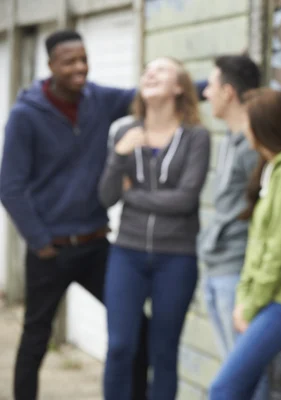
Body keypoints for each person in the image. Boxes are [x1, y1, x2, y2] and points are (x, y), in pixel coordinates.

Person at [0, 29, 156, 400]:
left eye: (84, 59)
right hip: (50, 251)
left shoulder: (99, 100)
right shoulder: (26, 115)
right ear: (51, 65)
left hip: (95, 245)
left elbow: (147, 97)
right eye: (70, 61)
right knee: (35, 340)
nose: (80, 67)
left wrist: (209, 85)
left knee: (137, 327)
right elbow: (10, 186)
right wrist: (40, 242)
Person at [98, 57, 210, 400]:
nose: (150, 73)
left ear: (179, 87)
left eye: (161, 70)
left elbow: (185, 201)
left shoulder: (196, 137)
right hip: (127, 253)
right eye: (147, 69)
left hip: (176, 258)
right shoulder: (122, 131)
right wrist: (120, 155)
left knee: (164, 352)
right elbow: (106, 197)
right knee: (120, 347)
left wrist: (135, 196)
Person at [208, 88, 281, 400]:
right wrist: (245, 297)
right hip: (274, 295)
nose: (244, 130)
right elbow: (259, 246)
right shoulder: (275, 168)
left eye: (247, 123)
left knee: (224, 388)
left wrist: (251, 304)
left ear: (261, 127)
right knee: (244, 385)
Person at [198, 55, 266, 393]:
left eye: (209, 86)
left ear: (227, 92)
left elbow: (262, 216)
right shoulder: (230, 140)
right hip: (217, 266)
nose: (205, 93)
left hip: (236, 271)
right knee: (232, 367)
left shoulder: (251, 149)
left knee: (242, 376)